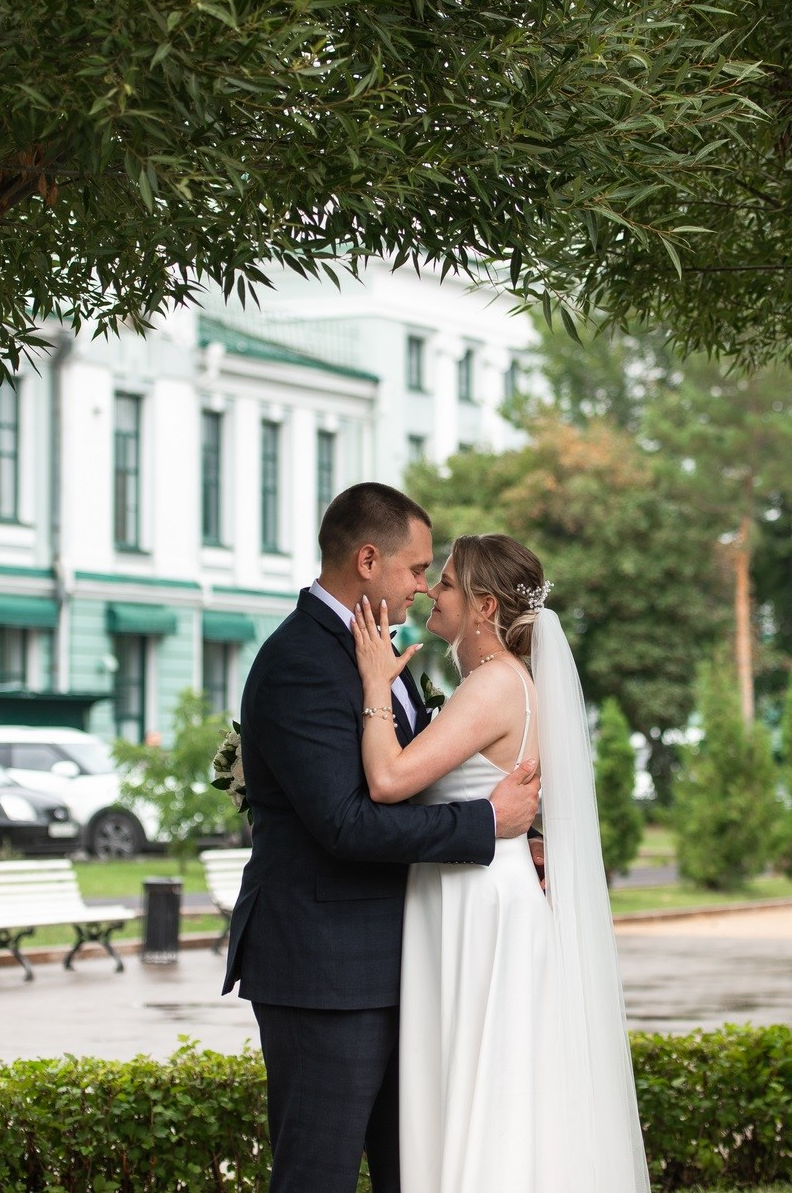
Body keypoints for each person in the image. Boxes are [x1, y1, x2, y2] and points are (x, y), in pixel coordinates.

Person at [221, 484, 542, 1193]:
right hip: (325, 970)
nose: (424, 588)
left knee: (419, 1172)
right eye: (417, 569)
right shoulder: (303, 659)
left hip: (405, 960)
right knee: (317, 1174)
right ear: (368, 559)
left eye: (434, 575)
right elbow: (345, 822)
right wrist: (488, 823)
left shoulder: (379, 653)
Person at [349, 533, 649, 1193]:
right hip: (477, 891)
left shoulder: (493, 686)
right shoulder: (511, 684)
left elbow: (389, 780)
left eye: (448, 582)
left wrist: (375, 686)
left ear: (484, 606)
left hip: (477, 904)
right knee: (500, 1083)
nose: (431, 589)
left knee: (491, 1087)